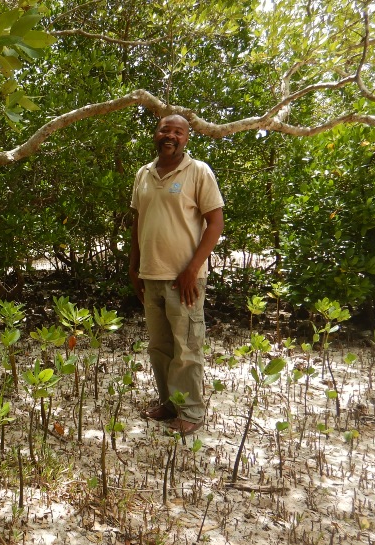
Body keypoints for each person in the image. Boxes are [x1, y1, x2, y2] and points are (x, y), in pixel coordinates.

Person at [129, 114, 224, 436]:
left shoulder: (198, 171)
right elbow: (139, 223)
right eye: (165, 129)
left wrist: (192, 269)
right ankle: (170, 403)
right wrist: (134, 266)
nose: (170, 135)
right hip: (151, 274)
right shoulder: (143, 174)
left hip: (184, 278)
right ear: (155, 134)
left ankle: (192, 412)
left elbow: (215, 224)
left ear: (186, 138)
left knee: (186, 347)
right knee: (160, 346)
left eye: (178, 132)